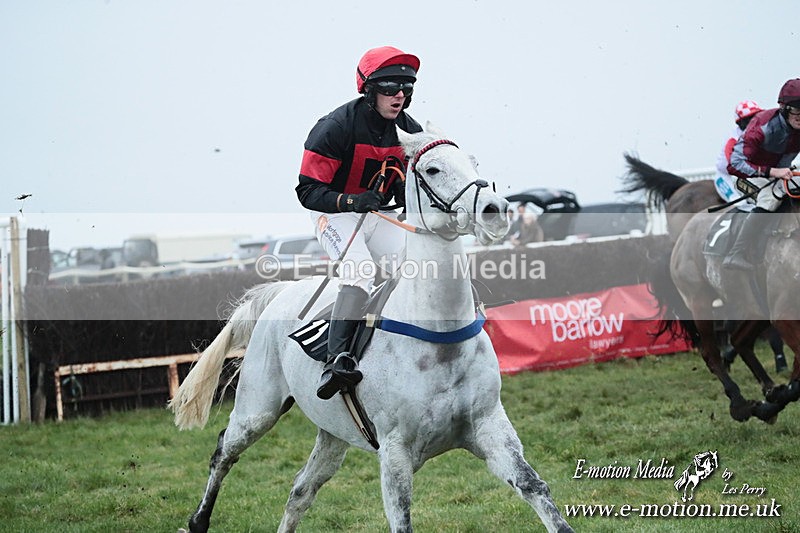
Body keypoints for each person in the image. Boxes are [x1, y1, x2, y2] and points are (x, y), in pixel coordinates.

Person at [295, 46, 423, 400]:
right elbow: (307, 191)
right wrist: (351, 201)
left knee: (412, 268)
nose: (399, 95)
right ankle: (336, 361)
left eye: (406, 87)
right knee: (360, 271)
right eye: (390, 87)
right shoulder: (334, 128)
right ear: (368, 90)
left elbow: (407, 180)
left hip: (376, 215)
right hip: (334, 214)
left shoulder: (409, 130)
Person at [723, 78, 800, 270]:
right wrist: (772, 172)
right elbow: (734, 164)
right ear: (783, 108)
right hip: (745, 175)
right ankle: (735, 253)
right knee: (770, 198)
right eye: (796, 108)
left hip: (777, 172)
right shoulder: (762, 126)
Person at [713, 100, 763, 208]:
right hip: (727, 178)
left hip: (748, 177)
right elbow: (734, 166)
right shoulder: (734, 140)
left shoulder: (762, 135)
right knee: (742, 204)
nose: (755, 122)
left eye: (757, 117)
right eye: (750, 119)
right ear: (741, 122)